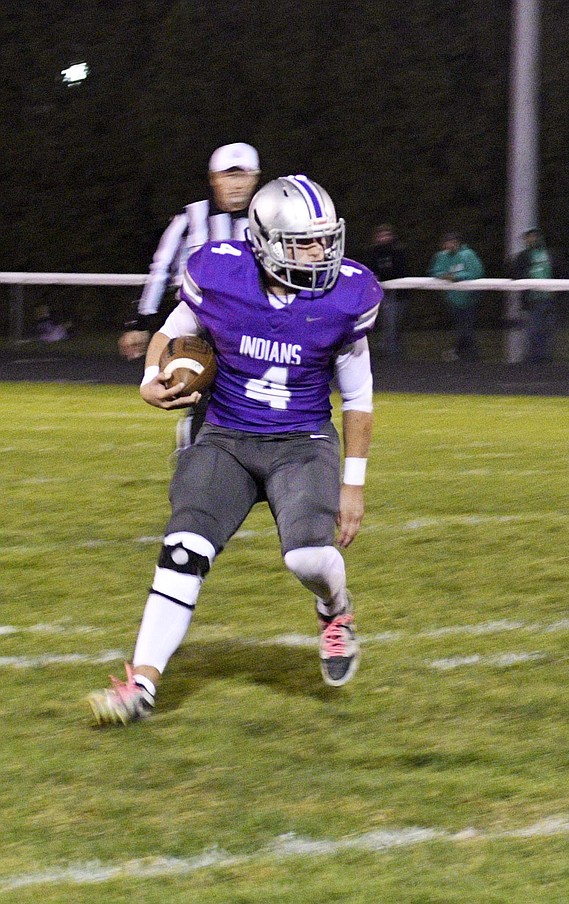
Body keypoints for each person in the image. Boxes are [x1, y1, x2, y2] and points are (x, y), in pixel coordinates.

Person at [88, 175, 382, 725]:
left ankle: (335, 611)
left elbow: (359, 397)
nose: (322, 253)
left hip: (301, 442)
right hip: (224, 437)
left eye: (325, 239)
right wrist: (152, 375)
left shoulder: (346, 295)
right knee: (182, 551)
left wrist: (353, 484)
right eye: (305, 242)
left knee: (308, 558)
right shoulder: (221, 273)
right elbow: (175, 328)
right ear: (265, 241)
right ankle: (141, 685)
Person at [120, 143, 262, 450]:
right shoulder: (189, 217)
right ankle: (193, 453)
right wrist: (140, 321)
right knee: (199, 395)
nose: (236, 183)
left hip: (255, 330)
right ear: (213, 178)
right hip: (200, 328)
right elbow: (160, 269)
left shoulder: (268, 219)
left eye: (243, 175)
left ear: (255, 178)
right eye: (228, 175)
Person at [429, 231, 484, 361]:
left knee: (466, 328)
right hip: (453, 298)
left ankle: (466, 354)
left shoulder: (468, 255)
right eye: (447, 243)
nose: (450, 245)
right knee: (461, 328)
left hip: (470, 298)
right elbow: (435, 271)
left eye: (452, 242)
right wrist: (443, 276)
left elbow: (476, 272)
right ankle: (465, 354)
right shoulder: (441, 256)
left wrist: (456, 277)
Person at [363, 223, 409, 359]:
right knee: (387, 322)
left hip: (398, 293)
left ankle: (394, 352)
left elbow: (400, 271)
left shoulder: (398, 251)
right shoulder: (373, 253)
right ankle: (389, 353)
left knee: (395, 323)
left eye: (386, 235)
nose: (383, 238)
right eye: (380, 235)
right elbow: (370, 270)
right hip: (382, 293)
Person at [510, 228, 556, 363]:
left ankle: (545, 358)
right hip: (532, 299)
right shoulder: (523, 256)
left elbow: (560, 272)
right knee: (533, 330)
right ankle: (533, 358)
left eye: (533, 237)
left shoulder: (550, 254)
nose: (530, 240)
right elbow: (515, 273)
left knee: (547, 330)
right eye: (528, 238)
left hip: (549, 298)